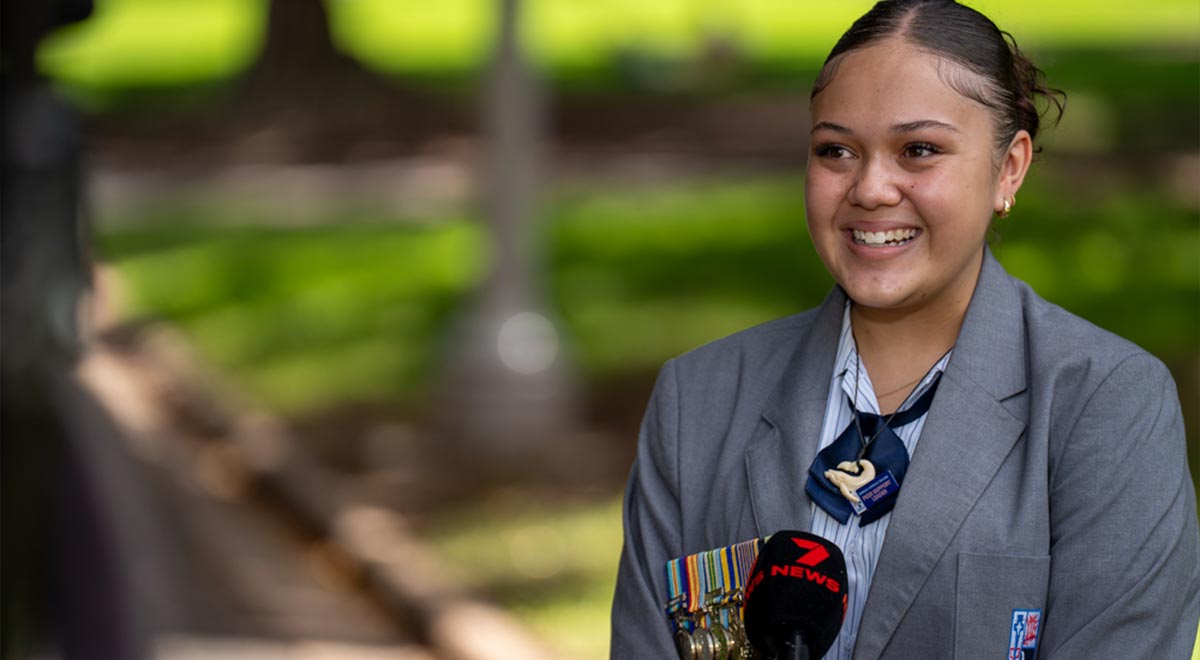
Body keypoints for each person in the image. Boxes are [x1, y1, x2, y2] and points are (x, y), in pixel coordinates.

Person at [609, 1, 1200, 658]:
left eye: (918, 150)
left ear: (1009, 169)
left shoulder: (1108, 406)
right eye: (836, 150)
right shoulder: (699, 401)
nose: (871, 188)